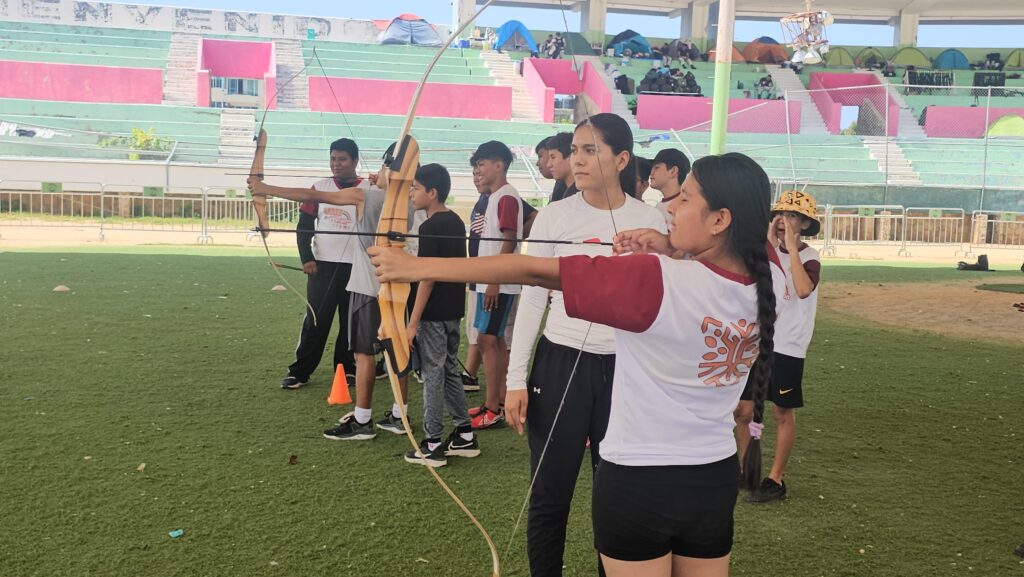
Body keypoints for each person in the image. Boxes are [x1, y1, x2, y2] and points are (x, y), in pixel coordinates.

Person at [368, 149, 785, 577]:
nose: (671, 207)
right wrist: (673, 247)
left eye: (687, 198)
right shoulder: (772, 282)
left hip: (640, 483)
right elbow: (758, 247)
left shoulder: (657, 279)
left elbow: (535, 272)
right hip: (713, 476)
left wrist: (415, 266)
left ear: (720, 220)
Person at [507, 113, 666, 577]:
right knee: (549, 493)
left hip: (627, 368)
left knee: (616, 495)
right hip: (559, 364)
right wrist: (516, 380)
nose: (576, 160)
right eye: (574, 150)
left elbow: (660, 301)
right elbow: (533, 295)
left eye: (589, 150)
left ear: (621, 159)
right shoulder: (556, 216)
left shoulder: (649, 220)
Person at [247, 145, 412, 442]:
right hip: (398, 286)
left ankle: (362, 420)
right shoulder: (413, 202)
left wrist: (264, 187)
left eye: (385, 166)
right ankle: (401, 417)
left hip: (367, 286)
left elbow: (313, 196)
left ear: (391, 169)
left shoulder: (367, 194)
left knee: (362, 353)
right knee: (395, 351)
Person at [735, 190, 821, 503]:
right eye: (781, 215)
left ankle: (775, 478)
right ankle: (748, 469)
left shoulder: (810, 257)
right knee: (743, 410)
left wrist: (792, 249)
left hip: (789, 345)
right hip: (758, 341)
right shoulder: (764, 251)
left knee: (782, 412)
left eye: (793, 216)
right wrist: (770, 247)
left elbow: (801, 289)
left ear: (806, 223)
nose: (785, 221)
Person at [403, 163, 480, 467]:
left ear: (432, 193)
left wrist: (412, 323)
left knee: (433, 373)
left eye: (416, 188)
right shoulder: (453, 221)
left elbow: (428, 276)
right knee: (447, 369)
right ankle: (464, 434)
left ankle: (432, 442)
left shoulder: (430, 226)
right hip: (452, 312)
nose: (411, 193)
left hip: (434, 314)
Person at [280, 138, 360, 390]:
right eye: (333, 158)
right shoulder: (319, 188)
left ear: (355, 161)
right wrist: (307, 258)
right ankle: (300, 371)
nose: (336, 164)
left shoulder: (369, 189)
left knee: (351, 323)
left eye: (342, 159)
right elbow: (304, 226)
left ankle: (347, 369)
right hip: (322, 267)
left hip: (356, 267)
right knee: (316, 320)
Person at [466, 141, 523, 430]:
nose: (478, 170)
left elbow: (510, 238)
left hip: (498, 283)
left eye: (482, 164)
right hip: (491, 282)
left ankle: (493, 407)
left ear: (499, 165)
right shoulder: (495, 197)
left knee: (488, 340)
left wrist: (494, 282)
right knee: (494, 340)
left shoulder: (506, 196)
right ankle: (497, 402)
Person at [648, 148, 690, 226]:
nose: (651, 173)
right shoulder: (658, 207)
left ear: (673, 171)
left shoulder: (686, 207)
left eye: (656, 167)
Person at [545, 132, 578, 203]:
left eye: (553, 157)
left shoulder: (582, 196)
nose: (548, 164)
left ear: (570, 158)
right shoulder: (560, 189)